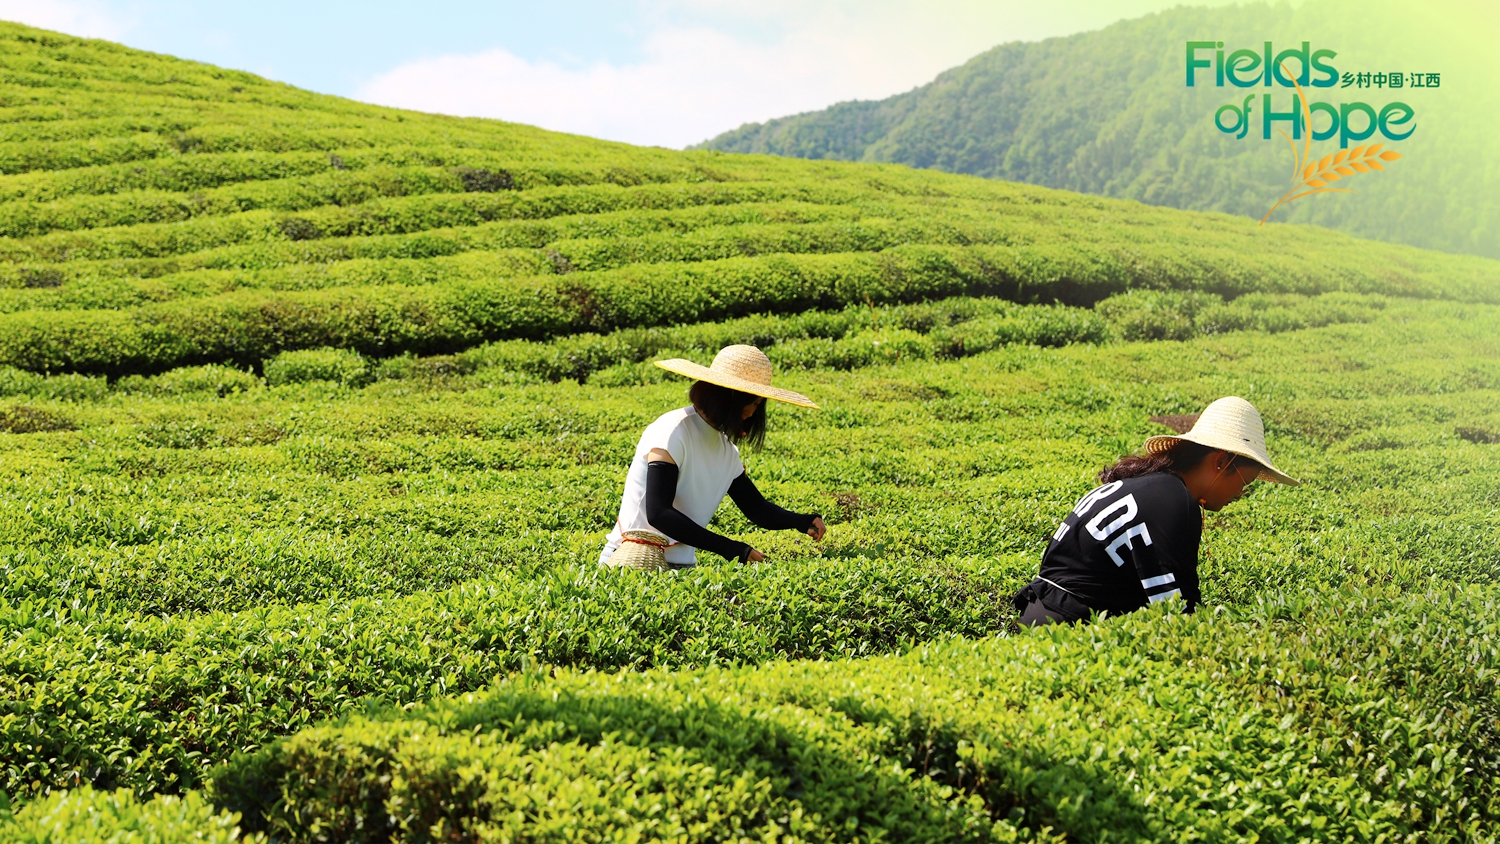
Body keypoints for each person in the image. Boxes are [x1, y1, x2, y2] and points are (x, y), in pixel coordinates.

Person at [1013, 396, 1298, 625]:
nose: (1240, 494)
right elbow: (1175, 613)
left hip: (1039, 616)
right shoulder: (1174, 501)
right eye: (1244, 483)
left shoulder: (1148, 487)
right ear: (1222, 462)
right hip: (1069, 630)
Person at [600, 344, 828, 570]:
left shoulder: (727, 451)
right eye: (750, 403)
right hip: (633, 559)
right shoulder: (672, 431)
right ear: (728, 396)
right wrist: (731, 548)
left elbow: (757, 509)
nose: (751, 413)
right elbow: (659, 513)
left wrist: (800, 520)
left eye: (758, 405)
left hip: (683, 567)